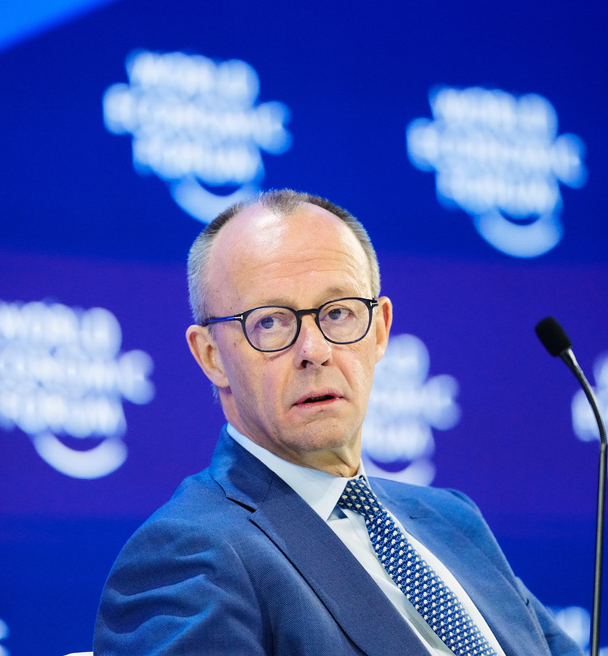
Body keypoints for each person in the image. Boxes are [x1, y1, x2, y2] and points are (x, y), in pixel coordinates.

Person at [94, 190, 581, 655]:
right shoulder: (189, 555)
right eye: (270, 321)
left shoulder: (452, 519)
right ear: (211, 357)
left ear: (380, 330)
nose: (315, 351)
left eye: (340, 313)